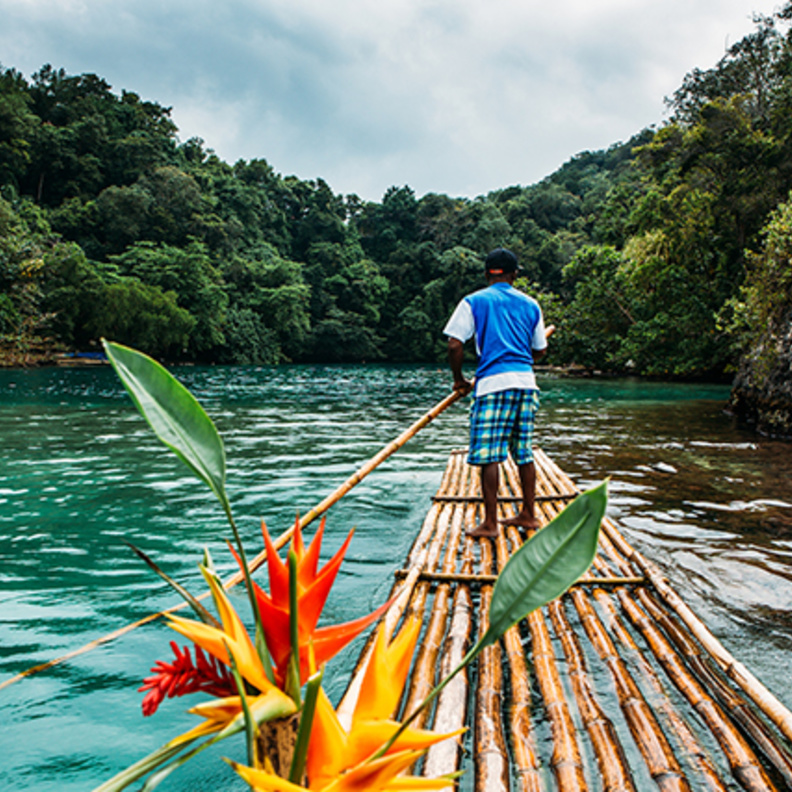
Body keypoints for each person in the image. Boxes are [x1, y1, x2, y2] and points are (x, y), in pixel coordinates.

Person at [443, 247, 554, 538]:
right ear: (515, 275)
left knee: (489, 455)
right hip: (526, 385)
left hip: (493, 385)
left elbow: (455, 344)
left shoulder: (474, 301)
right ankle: (529, 514)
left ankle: (491, 523)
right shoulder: (531, 304)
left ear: (486, 274)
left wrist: (459, 380)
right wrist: (523, 358)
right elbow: (540, 350)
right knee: (524, 452)